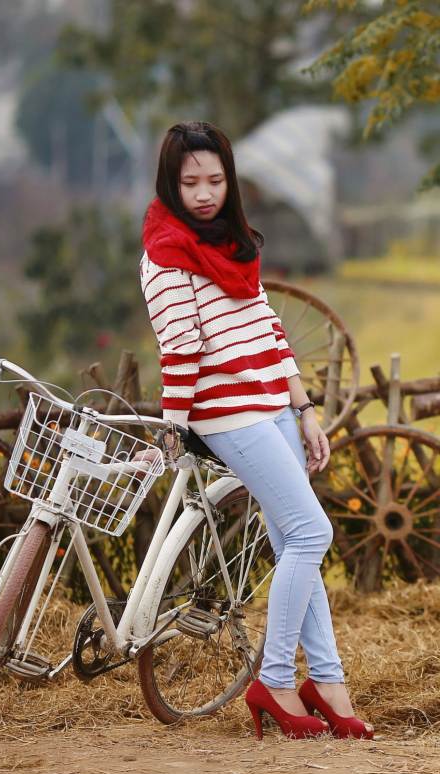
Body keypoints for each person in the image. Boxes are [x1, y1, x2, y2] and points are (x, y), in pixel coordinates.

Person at [139, 120, 374, 741]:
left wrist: (304, 406)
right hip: (230, 415)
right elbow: (181, 351)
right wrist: (174, 424)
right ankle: (273, 681)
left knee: (299, 539)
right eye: (190, 182)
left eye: (216, 179)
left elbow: (268, 326)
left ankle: (326, 681)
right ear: (171, 183)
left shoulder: (233, 241)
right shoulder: (166, 253)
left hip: (274, 405)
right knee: (312, 531)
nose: (204, 192)